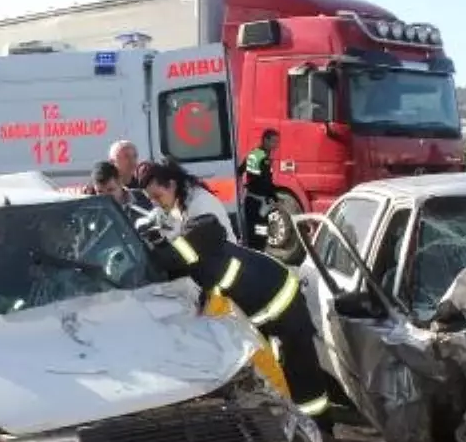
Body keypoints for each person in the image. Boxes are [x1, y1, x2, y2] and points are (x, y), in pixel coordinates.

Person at [144, 213, 329, 419]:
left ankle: (316, 421)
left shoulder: (211, 266)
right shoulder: (212, 249)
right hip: (272, 292)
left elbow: (213, 310)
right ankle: (296, 411)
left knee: (300, 366)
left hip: (282, 302)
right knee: (281, 363)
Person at [140, 159, 235, 241]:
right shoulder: (174, 200)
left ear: (172, 185)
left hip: (222, 260)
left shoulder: (201, 206)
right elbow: (161, 218)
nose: (156, 204)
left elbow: (190, 250)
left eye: (158, 196)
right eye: (151, 199)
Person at [239, 129, 279, 251]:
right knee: (261, 231)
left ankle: (252, 251)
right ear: (265, 140)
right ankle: (260, 252)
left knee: (251, 231)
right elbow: (265, 182)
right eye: (273, 141)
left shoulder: (254, 154)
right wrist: (273, 196)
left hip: (250, 199)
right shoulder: (264, 158)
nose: (276, 145)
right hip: (259, 201)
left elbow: (240, 170)